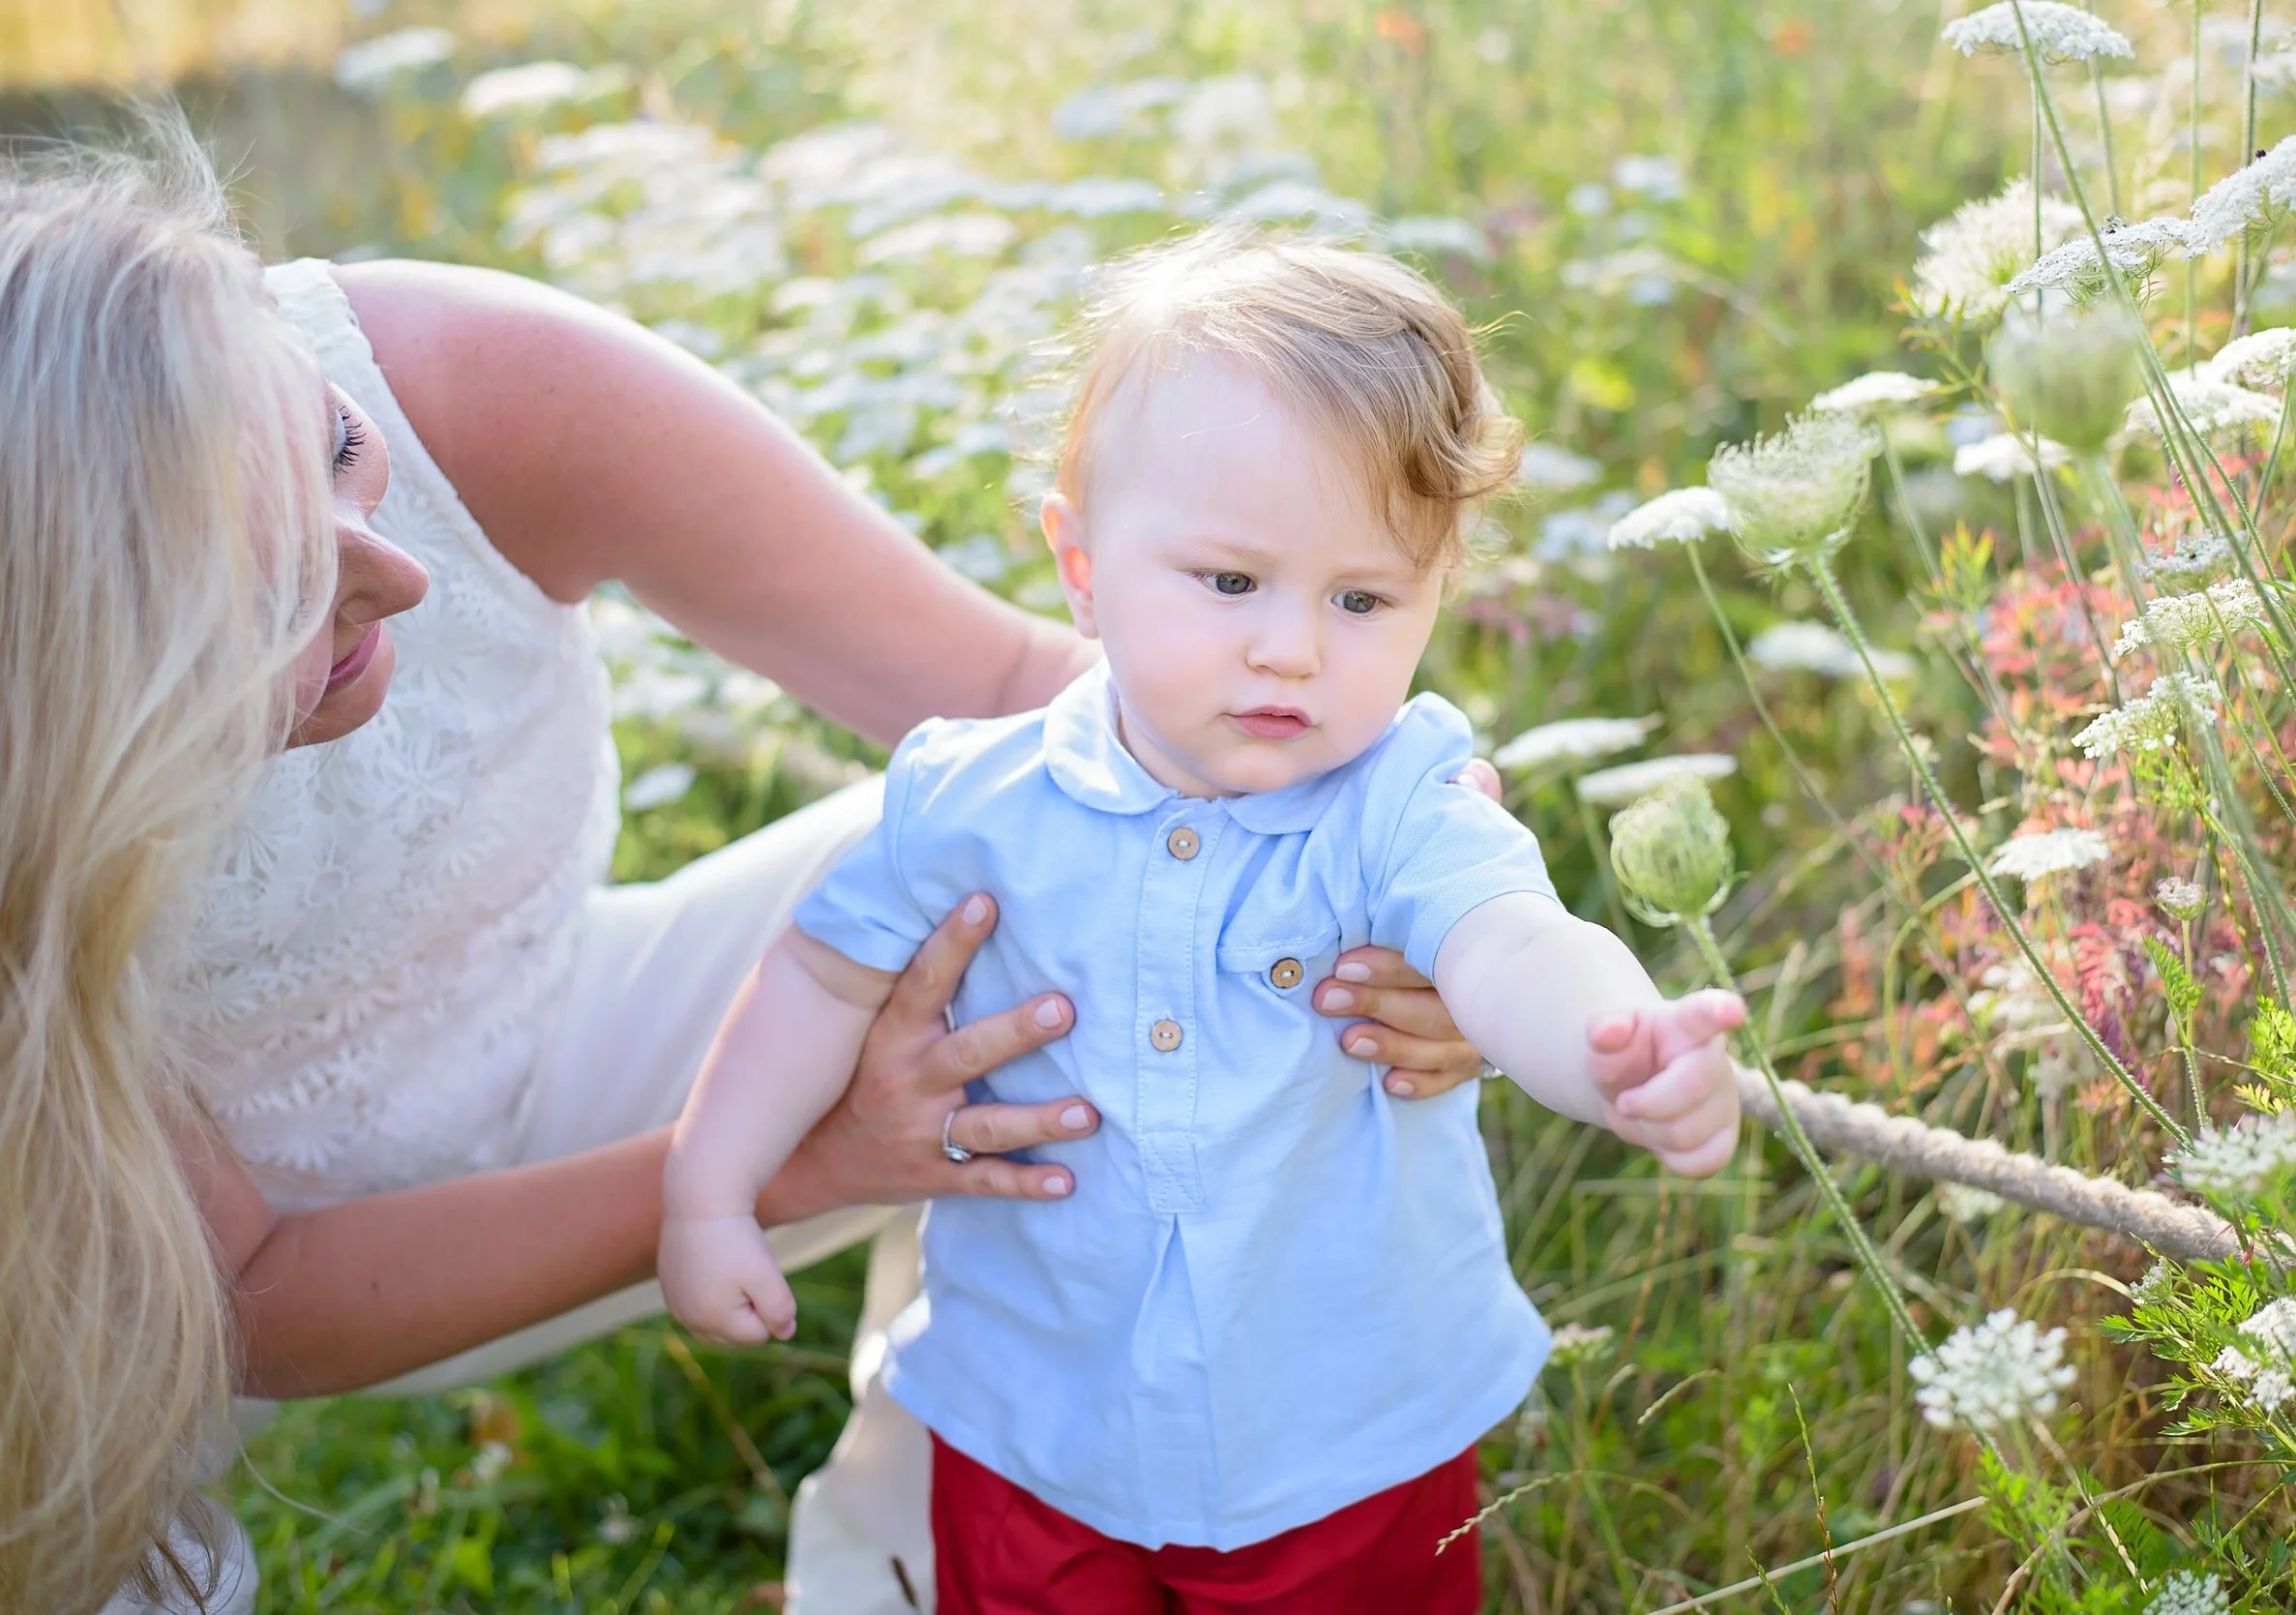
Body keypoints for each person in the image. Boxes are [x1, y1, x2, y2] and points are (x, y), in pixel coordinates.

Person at [0, 133, 1495, 1615]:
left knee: (1022, 865)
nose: (395, 574)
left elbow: (1021, 698)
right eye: (267, 580)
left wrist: (1411, 885)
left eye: (336, 448)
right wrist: (790, 1161)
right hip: (115, 1279)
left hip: (552, 1027)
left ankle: (931, 1565)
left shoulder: (474, 388)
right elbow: (251, 1297)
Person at [659, 233, 1745, 1612]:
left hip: (1338, 1436)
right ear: (1081, 563)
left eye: (1363, 598)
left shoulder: (1395, 802)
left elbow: (1508, 938)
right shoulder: (971, 799)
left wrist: (1614, 1044)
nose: (1293, 646)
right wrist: (709, 1189)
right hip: (1033, 1417)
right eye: (1231, 582)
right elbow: (820, 979)